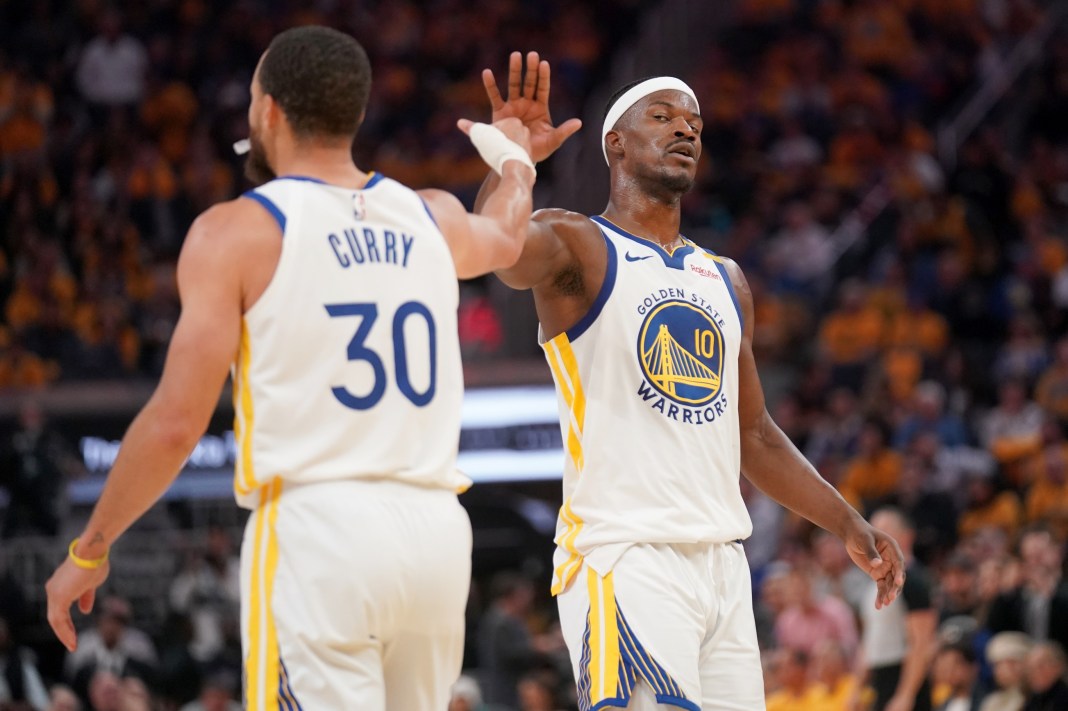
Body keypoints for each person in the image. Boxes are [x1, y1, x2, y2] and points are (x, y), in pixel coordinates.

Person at [44, 25, 540, 711]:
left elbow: (176, 424)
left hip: (319, 533)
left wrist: (91, 548)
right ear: (354, 113)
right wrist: (515, 159)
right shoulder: (433, 215)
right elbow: (510, 234)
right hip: (433, 534)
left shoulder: (237, 231)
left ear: (268, 110)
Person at [473, 51, 906, 710]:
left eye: (695, 122)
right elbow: (492, 246)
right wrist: (511, 161)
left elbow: (755, 435)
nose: (686, 129)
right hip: (626, 554)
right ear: (615, 142)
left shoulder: (724, 277)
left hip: (723, 566)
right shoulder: (578, 245)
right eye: (664, 116)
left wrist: (845, 520)